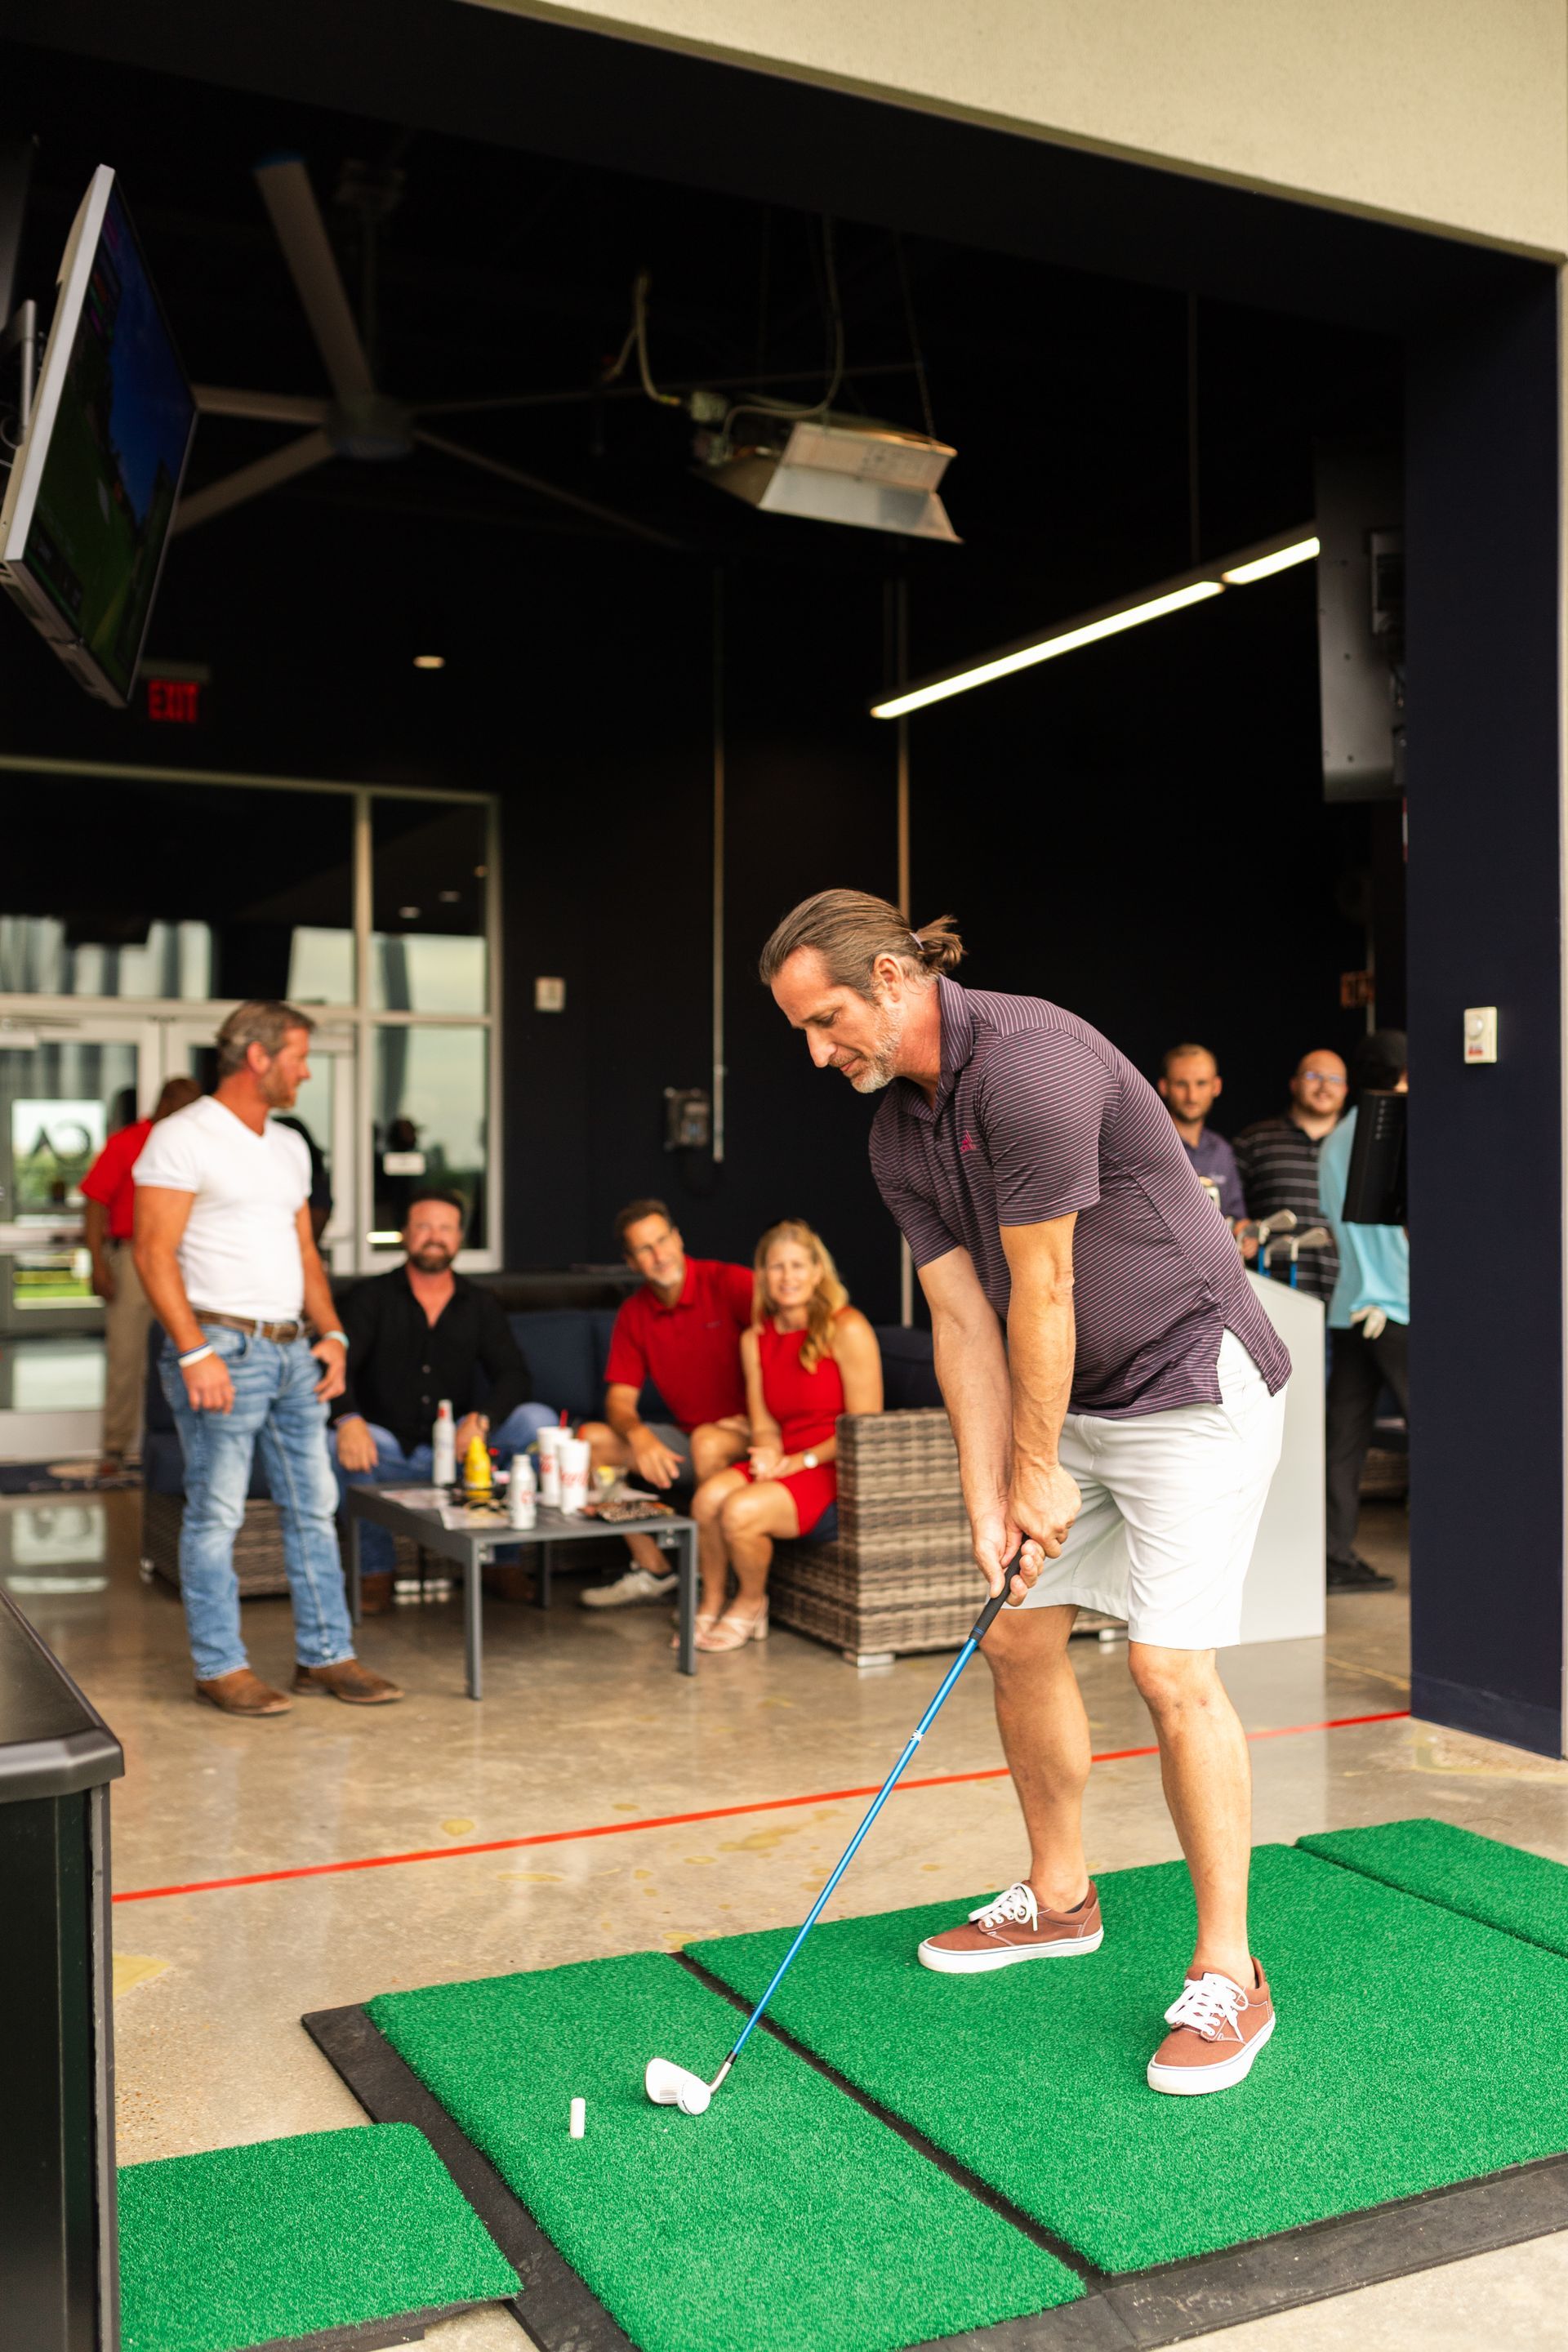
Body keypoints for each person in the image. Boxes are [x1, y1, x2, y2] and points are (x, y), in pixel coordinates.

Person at [763, 889, 1290, 2097]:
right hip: (1078, 1397)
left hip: (1188, 1381)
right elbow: (964, 1321)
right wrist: (988, 1497)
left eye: (826, 1020)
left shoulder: (1032, 1063)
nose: (818, 1052)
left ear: (891, 977)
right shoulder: (896, 1136)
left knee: (1168, 1668)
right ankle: (1059, 1898)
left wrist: (1037, 1466)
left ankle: (1232, 1971)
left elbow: (1045, 1288)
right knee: (1016, 1628)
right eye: (801, 1032)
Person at [133, 1000, 401, 1717]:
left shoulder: (289, 1145)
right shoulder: (181, 1137)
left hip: (292, 1351)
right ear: (258, 1057)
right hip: (220, 1347)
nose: (306, 1072)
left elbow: (304, 1253)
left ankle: (326, 1655)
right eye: (298, 1057)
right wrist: (193, 1351)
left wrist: (333, 1335)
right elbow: (152, 1252)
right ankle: (220, 1667)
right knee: (217, 1513)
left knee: (315, 1507)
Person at [330, 1189, 558, 1610]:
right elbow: (333, 1367)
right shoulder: (369, 1298)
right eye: (424, 1226)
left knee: (536, 1420)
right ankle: (374, 1573)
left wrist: (482, 1419)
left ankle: (501, 1562)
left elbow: (514, 1375)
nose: (434, 1237)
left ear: (458, 1239)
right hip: (388, 1451)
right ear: (405, 1234)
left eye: (445, 1228)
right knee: (335, 1441)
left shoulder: (480, 1303)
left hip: (461, 1452)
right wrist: (347, 1419)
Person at [688, 1219, 883, 1650]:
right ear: (762, 1275)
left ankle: (751, 1602)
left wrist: (801, 1461)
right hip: (788, 1459)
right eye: (777, 1266)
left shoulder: (847, 1327)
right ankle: (711, 1600)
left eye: (797, 1265)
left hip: (833, 1468)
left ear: (817, 1271)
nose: (787, 1276)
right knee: (706, 1500)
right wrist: (768, 1454)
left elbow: (866, 1428)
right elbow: (764, 1424)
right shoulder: (755, 1338)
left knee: (738, 1511)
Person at [576, 1201, 752, 1607]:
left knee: (709, 1440)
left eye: (662, 1240)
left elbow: (787, 1335)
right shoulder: (635, 1313)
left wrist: (763, 1419)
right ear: (630, 1262)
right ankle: (654, 1568)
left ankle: (709, 1586)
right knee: (588, 1442)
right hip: (690, 1440)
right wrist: (638, 1434)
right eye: (644, 1249)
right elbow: (619, 1400)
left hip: (750, 1434)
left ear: (678, 1238)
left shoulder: (728, 1282)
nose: (659, 1255)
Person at [1318, 1031, 1409, 1592]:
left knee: (1345, 1440)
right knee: (1439, 1431)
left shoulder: (1334, 1141)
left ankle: (1334, 1557)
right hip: (1399, 1305)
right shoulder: (1400, 1133)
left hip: (1350, 1308)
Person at [81, 1076, 202, 1471]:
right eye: (185, 1107)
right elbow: (95, 1203)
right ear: (166, 1104)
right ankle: (116, 1447)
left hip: (186, 1259)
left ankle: (180, 1447)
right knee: (127, 1355)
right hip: (133, 1258)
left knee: (187, 1352)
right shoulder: (127, 1142)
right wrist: (98, 1262)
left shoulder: (199, 1143)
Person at [1233, 1053, 1348, 1304]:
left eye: (1334, 1079)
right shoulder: (1255, 1140)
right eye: (1313, 1076)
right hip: (1268, 1295)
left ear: (1346, 1089)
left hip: (1345, 1301)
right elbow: (1230, 1212)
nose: (1324, 1086)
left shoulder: (1358, 1148)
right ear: (1294, 1084)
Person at [1156, 1044, 1246, 1222]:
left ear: (1216, 1086)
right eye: (1181, 1084)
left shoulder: (1222, 1151)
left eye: (1201, 1083)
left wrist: (1245, 1229)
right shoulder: (1146, 1144)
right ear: (1164, 1087)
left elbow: (1235, 1218)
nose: (1192, 1096)